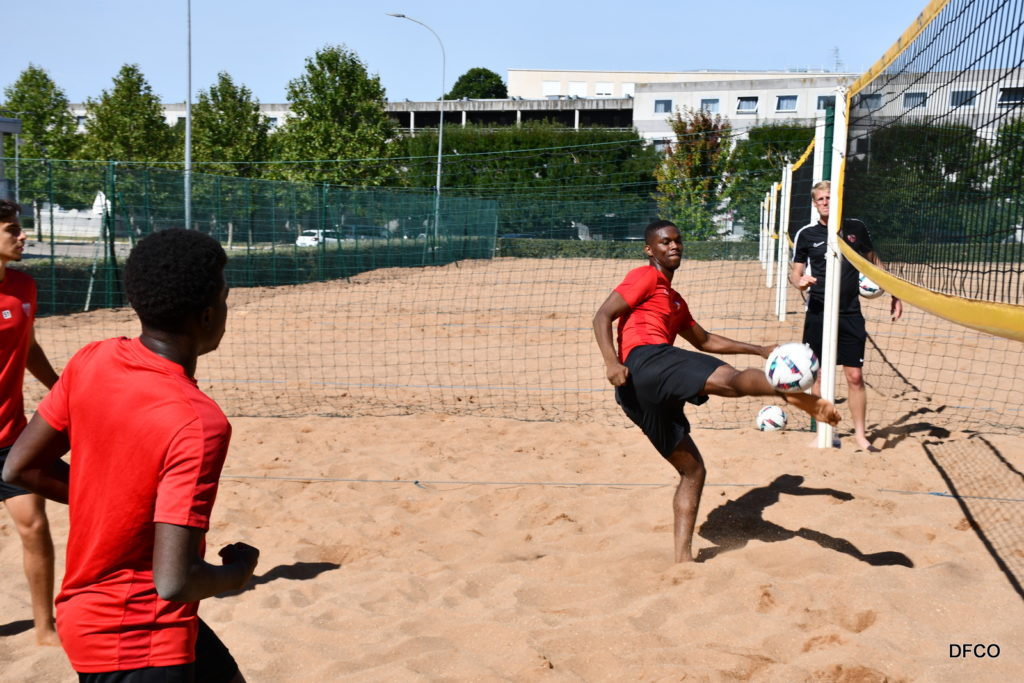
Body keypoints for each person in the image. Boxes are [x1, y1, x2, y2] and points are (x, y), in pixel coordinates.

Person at [3, 228, 259, 681]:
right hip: (136, 638)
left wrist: (114, 504)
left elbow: (19, 467)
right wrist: (237, 574)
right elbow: (176, 580)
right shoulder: (199, 422)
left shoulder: (92, 360)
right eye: (224, 298)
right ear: (206, 316)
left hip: (99, 617)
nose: (226, 308)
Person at [593, 219, 840, 563]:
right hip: (646, 360)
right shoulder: (645, 276)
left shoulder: (675, 301)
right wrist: (611, 362)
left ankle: (682, 561)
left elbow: (705, 340)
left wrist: (759, 349)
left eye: (678, 240)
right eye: (665, 242)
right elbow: (602, 316)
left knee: (693, 471)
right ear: (649, 249)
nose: (674, 246)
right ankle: (789, 394)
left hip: (636, 394)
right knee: (731, 381)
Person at [789, 181, 902, 452]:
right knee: (817, 376)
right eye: (820, 199)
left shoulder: (855, 228)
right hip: (818, 312)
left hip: (850, 312)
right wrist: (800, 282)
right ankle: (827, 432)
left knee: (854, 376)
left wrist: (894, 292)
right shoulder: (807, 234)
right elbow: (795, 272)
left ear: (838, 200)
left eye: (830, 197)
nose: (825, 202)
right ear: (814, 204)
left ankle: (861, 436)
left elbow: (874, 262)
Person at [0, 199, 61, 646]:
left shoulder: (24, 286)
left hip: (10, 436)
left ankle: (44, 629)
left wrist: (61, 389)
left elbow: (30, 347)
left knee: (34, 526)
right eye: (11, 229)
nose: (22, 236)